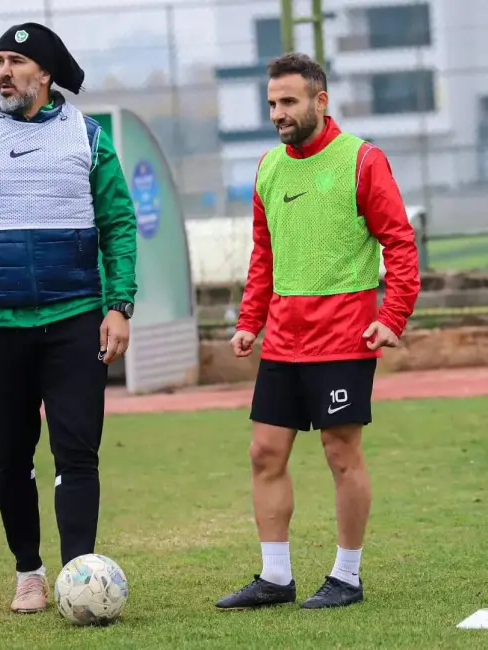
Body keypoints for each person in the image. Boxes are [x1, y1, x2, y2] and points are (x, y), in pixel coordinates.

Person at [0, 22, 137, 614]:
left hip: (75, 321)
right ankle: (29, 573)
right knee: (10, 456)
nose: (4, 72)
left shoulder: (87, 136)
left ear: (44, 73)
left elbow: (118, 224)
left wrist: (118, 305)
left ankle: (78, 576)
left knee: (77, 453)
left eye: (16, 61)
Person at [215, 53, 420, 611]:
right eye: (271, 104)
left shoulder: (363, 160)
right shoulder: (268, 167)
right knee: (264, 452)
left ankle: (346, 578)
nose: (278, 113)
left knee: (340, 452)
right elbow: (265, 254)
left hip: (344, 335)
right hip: (283, 337)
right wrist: (249, 322)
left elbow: (400, 243)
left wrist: (393, 316)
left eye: (289, 102)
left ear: (320, 101)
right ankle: (275, 577)